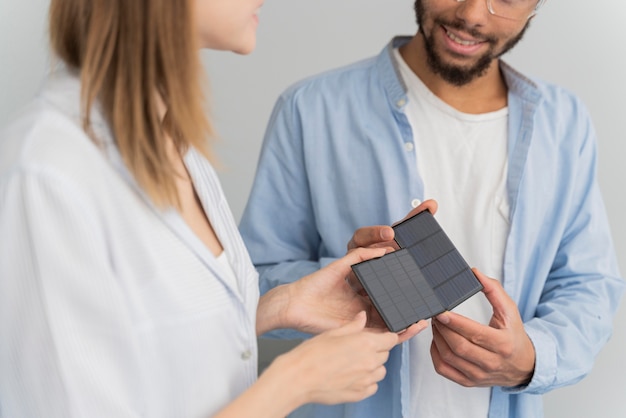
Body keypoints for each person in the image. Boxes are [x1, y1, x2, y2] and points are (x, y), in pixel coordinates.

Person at [0, 1, 429, 417]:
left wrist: (279, 307)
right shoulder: (46, 172)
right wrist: (296, 381)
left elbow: (147, 344)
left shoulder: (180, 150)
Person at [239, 0, 626, 417]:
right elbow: (248, 288)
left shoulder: (564, 123)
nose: (474, 14)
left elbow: (588, 284)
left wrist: (531, 358)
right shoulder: (310, 109)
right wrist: (352, 281)